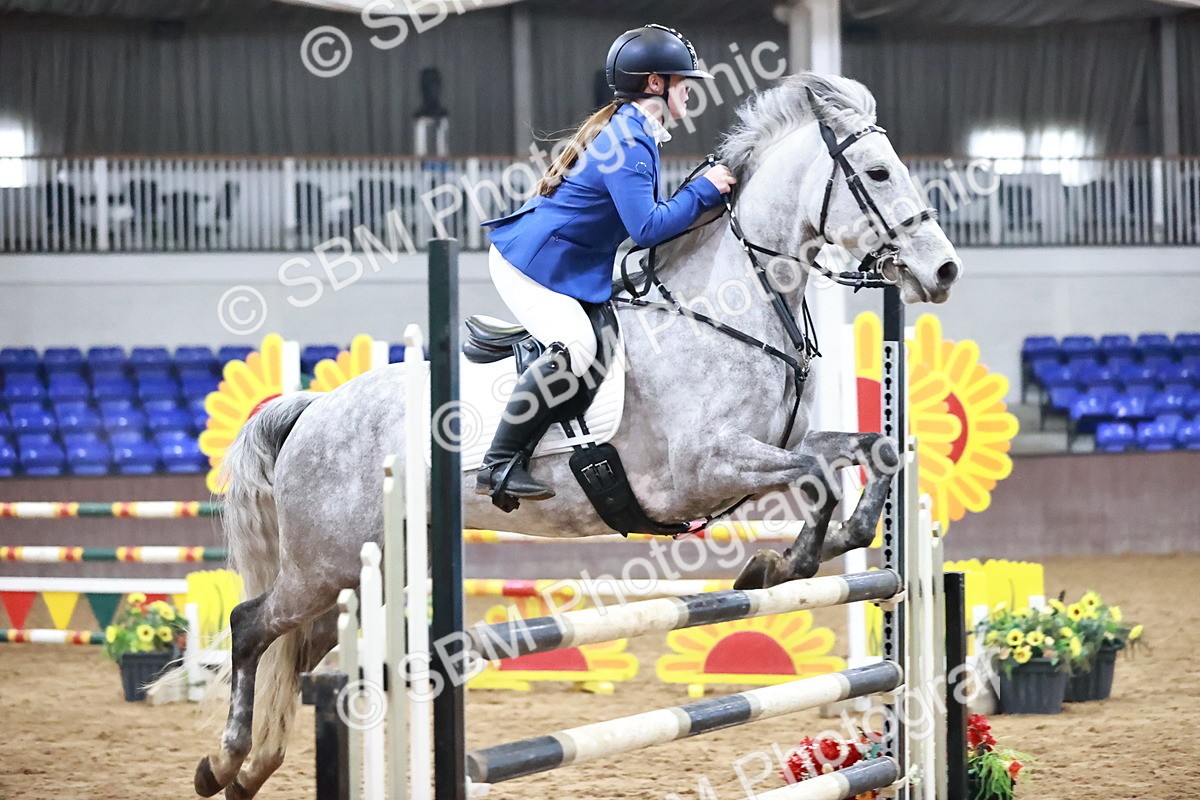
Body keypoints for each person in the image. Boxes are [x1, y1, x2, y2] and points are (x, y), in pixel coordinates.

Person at [476, 23, 738, 505]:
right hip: (531, 265)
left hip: (565, 263)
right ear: (655, 84)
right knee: (575, 345)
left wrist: (702, 194)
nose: (690, 92)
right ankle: (499, 464)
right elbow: (646, 229)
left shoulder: (636, 130)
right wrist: (702, 190)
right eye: (684, 82)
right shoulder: (630, 137)